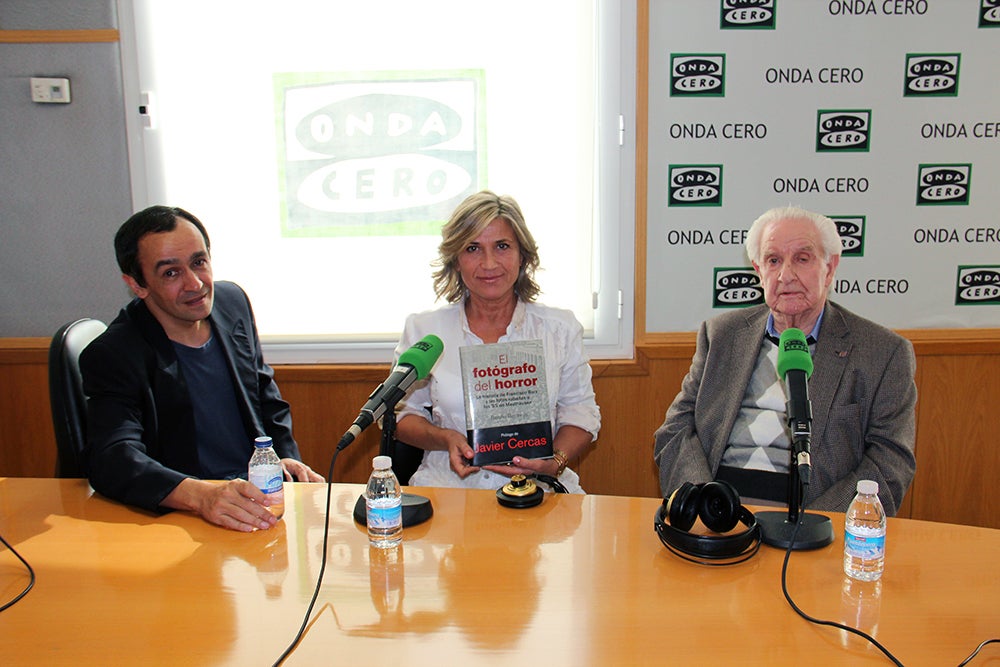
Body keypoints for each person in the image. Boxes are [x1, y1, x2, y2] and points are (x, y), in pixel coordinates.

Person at [653, 206, 916, 515]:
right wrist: (703, 502)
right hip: (721, 509)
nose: (786, 275)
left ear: (830, 268)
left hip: (814, 516)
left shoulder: (882, 352)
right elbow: (676, 429)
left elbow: (891, 460)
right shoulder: (722, 334)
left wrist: (820, 521)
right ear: (757, 270)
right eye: (773, 260)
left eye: (802, 259)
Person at [80, 205, 323, 532]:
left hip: (259, 500)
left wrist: (281, 461)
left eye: (199, 262)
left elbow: (266, 399)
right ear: (137, 285)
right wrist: (201, 495)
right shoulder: (114, 353)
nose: (195, 284)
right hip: (183, 519)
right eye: (171, 273)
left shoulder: (232, 302)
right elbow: (113, 458)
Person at [392, 190, 601, 492]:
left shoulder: (559, 329)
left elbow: (581, 412)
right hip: (450, 491)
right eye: (473, 248)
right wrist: (445, 438)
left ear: (523, 256)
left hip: (539, 491)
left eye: (502, 246)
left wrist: (555, 461)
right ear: (456, 259)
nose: (489, 263)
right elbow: (401, 416)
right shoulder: (426, 331)